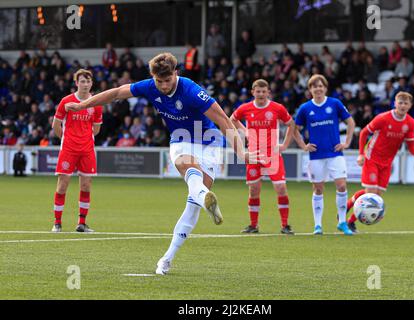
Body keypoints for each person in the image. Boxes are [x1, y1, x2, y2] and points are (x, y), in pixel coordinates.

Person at [65, 52, 252, 275]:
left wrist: (241, 151)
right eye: (159, 81)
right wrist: (83, 104)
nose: (163, 86)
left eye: (167, 80)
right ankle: (204, 200)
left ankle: (167, 257)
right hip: (181, 139)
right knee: (185, 165)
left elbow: (222, 119)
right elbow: (116, 93)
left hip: (209, 141)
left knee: (192, 207)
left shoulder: (191, 90)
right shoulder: (149, 86)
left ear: (176, 73)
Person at [346, 92, 414, 233]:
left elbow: (411, 143)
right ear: (394, 103)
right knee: (370, 193)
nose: (402, 105)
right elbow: (364, 132)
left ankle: (350, 220)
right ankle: (346, 210)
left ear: (410, 106)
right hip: (372, 158)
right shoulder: (383, 118)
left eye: (405, 103)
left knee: (376, 197)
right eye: (400, 102)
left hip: (387, 162)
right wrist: (361, 154)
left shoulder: (410, 122)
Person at [231, 79, 296, 234]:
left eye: (263, 91)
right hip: (253, 155)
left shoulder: (277, 108)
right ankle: (253, 225)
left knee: (280, 188)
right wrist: (244, 130)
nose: (260, 94)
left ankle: (285, 225)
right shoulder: (245, 108)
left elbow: (291, 124)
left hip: (272, 154)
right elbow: (232, 119)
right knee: (254, 190)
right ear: (253, 92)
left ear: (268, 92)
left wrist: (285, 145)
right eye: (257, 91)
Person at [294, 74, 356, 236]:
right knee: (318, 188)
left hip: (335, 153)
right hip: (316, 155)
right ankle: (318, 225)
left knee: (342, 185)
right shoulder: (305, 108)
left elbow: (350, 122)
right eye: (315, 86)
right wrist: (303, 145)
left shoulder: (334, 103)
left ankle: (342, 222)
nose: (318, 89)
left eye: (321, 86)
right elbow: (294, 129)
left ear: (325, 88)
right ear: (310, 90)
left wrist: (347, 142)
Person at [51, 69, 103, 233]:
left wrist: (84, 138)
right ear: (76, 83)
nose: (85, 84)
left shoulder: (96, 103)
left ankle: (81, 223)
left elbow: (96, 129)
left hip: (87, 149)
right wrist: (67, 140)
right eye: (82, 81)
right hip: (68, 149)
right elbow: (56, 125)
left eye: (88, 81)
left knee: (86, 185)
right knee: (62, 185)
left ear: (91, 83)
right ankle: (57, 223)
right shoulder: (66, 101)